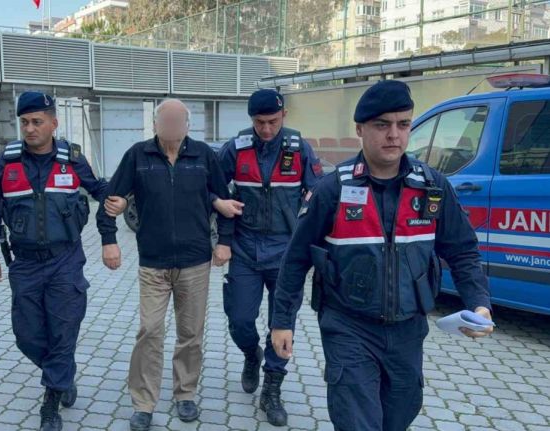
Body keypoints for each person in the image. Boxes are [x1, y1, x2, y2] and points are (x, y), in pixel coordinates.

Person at [271, 80, 493, 431]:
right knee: (359, 422)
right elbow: (296, 258)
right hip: (348, 327)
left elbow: (463, 250)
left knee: (399, 415)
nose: (394, 134)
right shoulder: (334, 189)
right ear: (360, 129)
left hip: (408, 331)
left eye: (403, 124)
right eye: (382, 125)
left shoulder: (432, 187)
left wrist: (479, 303)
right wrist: (282, 321)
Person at [0, 91, 120, 431]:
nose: (30, 128)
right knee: (26, 335)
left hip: (65, 260)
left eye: (37, 122)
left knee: (63, 331)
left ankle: (52, 402)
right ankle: (62, 372)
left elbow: (100, 190)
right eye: (25, 122)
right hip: (24, 263)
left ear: (53, 123)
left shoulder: (73, 160)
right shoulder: (6, 164)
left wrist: (118, 204)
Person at [102, 98, 233, 431]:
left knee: (191, 334)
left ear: (188, 125)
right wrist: (109, 240)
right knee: (149, 331)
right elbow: (111, 200)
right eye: (166, 119)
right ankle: (143, 403)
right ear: (155, 124)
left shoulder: (204, 155)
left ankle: (185, 394)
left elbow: (224, 200)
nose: (172, 125)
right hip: (153, 262)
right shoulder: (137, 155)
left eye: (178, 120)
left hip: (195, 262)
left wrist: (225, 242)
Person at [211, 89, 323, 426]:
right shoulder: (236, 148)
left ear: (284, 115)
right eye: (259, 122)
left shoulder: (299, 149)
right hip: (245, 249)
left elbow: (321, 191)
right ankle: (251, 354)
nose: (266, 129)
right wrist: (219, 207)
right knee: (239, 319)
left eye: (272, 121)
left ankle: (272, 387)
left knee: (282, 323)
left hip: (287, 252)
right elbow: (212, 187)